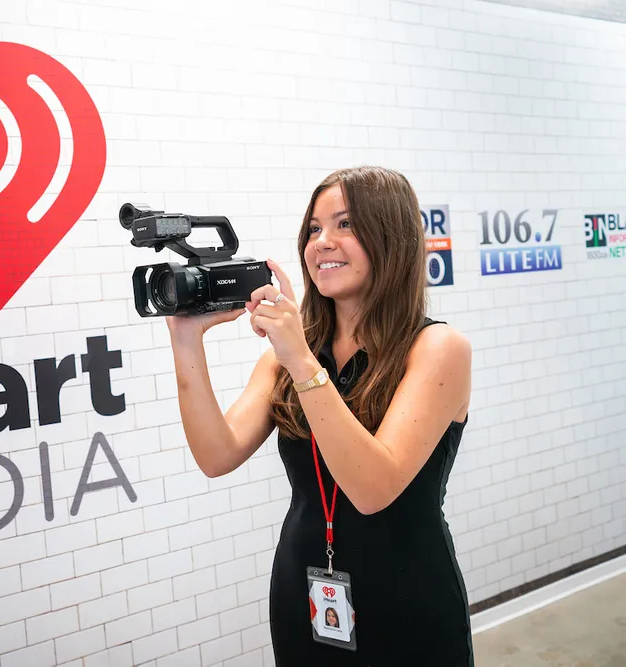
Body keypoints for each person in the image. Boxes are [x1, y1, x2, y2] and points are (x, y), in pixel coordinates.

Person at [165, 165, 474, 666]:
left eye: (345, 225)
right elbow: (216, 454)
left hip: (407, 596)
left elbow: (373, 489)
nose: (322, 242)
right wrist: (185, 340)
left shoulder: (437, 348)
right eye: (313, 229)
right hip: (304, 589)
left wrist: (301, 360)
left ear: (391, 239)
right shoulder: (289, 357)